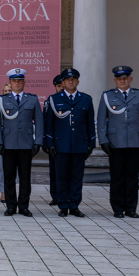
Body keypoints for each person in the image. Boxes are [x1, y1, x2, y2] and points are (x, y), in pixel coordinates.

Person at [97, 65, 139, 218]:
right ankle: (118, 208)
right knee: (117, 177)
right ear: (115, 80)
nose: (122, 81)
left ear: (130, 79)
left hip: (135, 142)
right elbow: (101, 120)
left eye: (125, 78)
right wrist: (103, 141)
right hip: (116, 142)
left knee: (132, 176)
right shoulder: (107, 96)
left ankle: (131, 208)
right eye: (119, 79)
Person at [44, 68, 95, 217]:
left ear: (77, 81)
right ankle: (63, 205)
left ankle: (74, 205)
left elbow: (90, 123)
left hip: (79, 144)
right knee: (61, 177)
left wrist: (91, 143)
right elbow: (49, 124)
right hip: (61, 144)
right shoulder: (54, 99)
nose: (70, 81)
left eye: (73, 79)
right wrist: (49, 143)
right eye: (67, 79)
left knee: (77, 177)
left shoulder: (86, 99)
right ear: (63, 82)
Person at [0, 69, 42, 217]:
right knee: (9, 177)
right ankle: (11, 206)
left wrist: (38, 142)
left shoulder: (32, 99)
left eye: (20, 80)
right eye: (14, 81)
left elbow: (39, 122)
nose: (17, 83)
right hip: (8, 144)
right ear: (10, 83)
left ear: (24, 82)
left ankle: (24, 206)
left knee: (25, 177)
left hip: (26, 144)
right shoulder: (2, 100)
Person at [44, 74, 63, 206]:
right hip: (54, 141)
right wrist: (47, 141)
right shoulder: (50, 101)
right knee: (55, 170)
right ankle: (55, 195)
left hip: (67, 140)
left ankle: (66, 195)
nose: (61, 88)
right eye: (59, 86)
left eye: (62, 85)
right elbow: (47, 122)